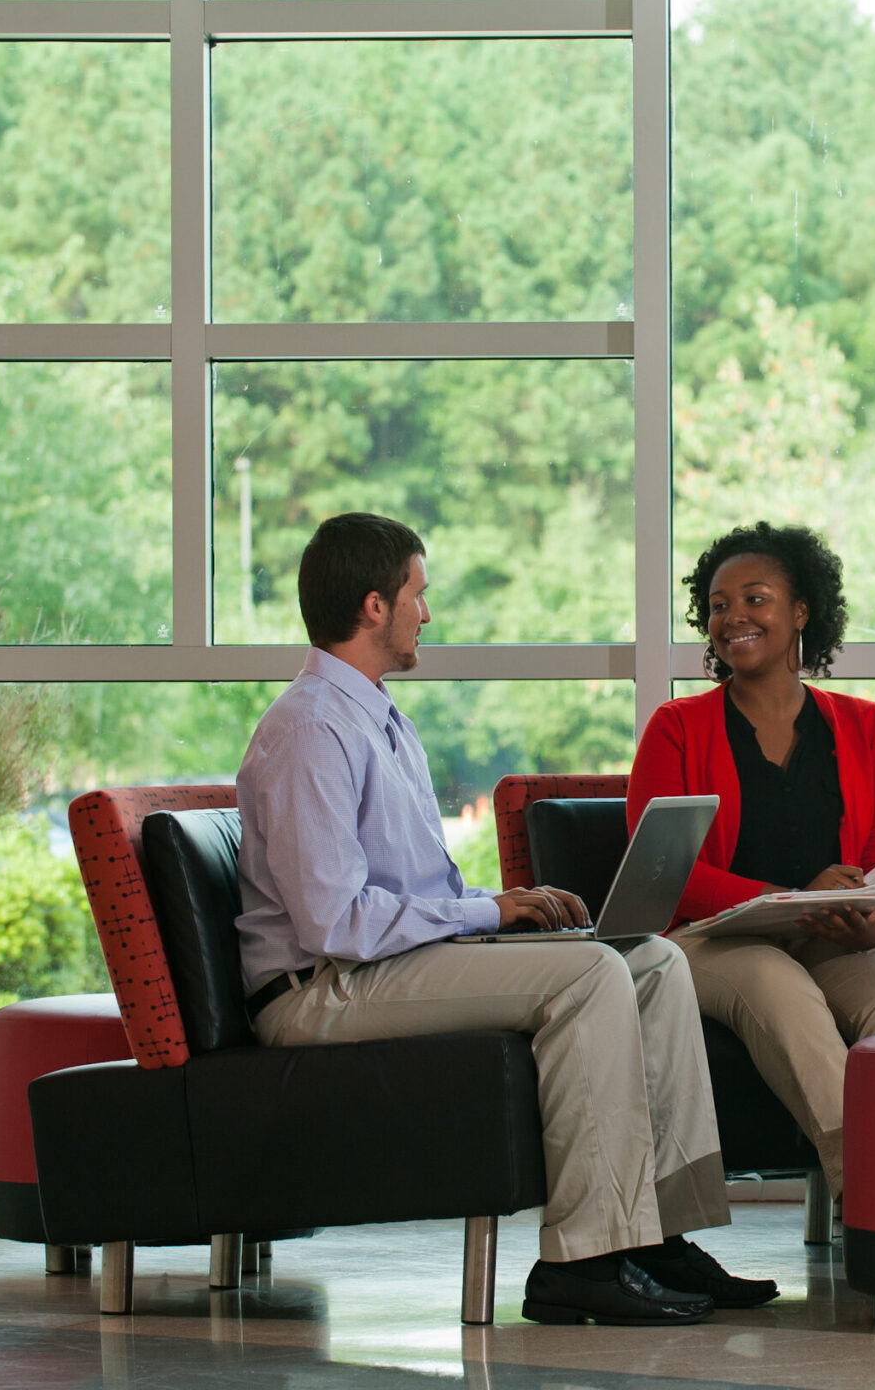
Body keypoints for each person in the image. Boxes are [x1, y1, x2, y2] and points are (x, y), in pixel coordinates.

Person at [235, 512, 775, 1325]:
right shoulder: (313, 728)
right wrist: (485, 910)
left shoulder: (378, 718)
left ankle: (657, 1235)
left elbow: (397, 893)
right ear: (375, 606)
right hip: (322, 990)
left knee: (653, 963)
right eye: (420, 594)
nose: (430, 613)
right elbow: (332, 921)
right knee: (591, 974)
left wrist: (495, 919)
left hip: (374, 968)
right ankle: (583, 1260)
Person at [627, 522, 875, 1200]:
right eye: (717, 604)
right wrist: (787, 897)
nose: (732, 617)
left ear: (802, 612)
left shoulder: (869, 728)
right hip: (710, 942)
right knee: (775, 982)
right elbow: (666, 872)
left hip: (831, 935)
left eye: (755, 598)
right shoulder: (675, 729)